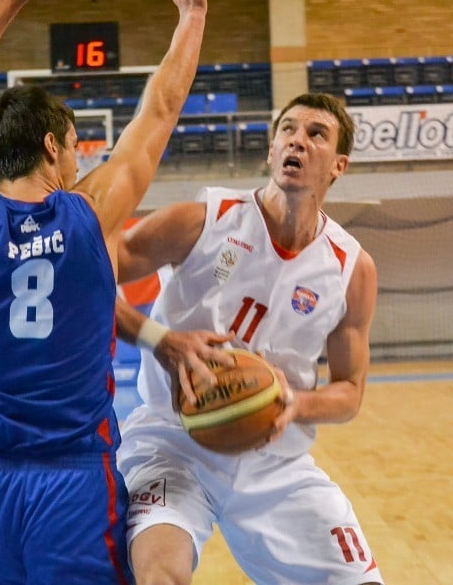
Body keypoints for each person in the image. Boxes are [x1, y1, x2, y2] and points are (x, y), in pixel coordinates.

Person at [0, 0, 207, 582]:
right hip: (76, 488)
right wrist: (191, 19)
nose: (79, 160)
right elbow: (159, 109)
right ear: (52, 146)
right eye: (75, 147)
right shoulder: (89, 214)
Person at [114, 93, 384, 584]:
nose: (297, 140)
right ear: (271, 149)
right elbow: (84, 274)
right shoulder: (204, 219)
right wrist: (159, 339)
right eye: (287, 130)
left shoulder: (351, 268)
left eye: (316, 134)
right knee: (160, 577)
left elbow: (350, 393)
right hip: (173, 442)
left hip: (273, 460)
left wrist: (294, 404)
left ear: (338, 165)